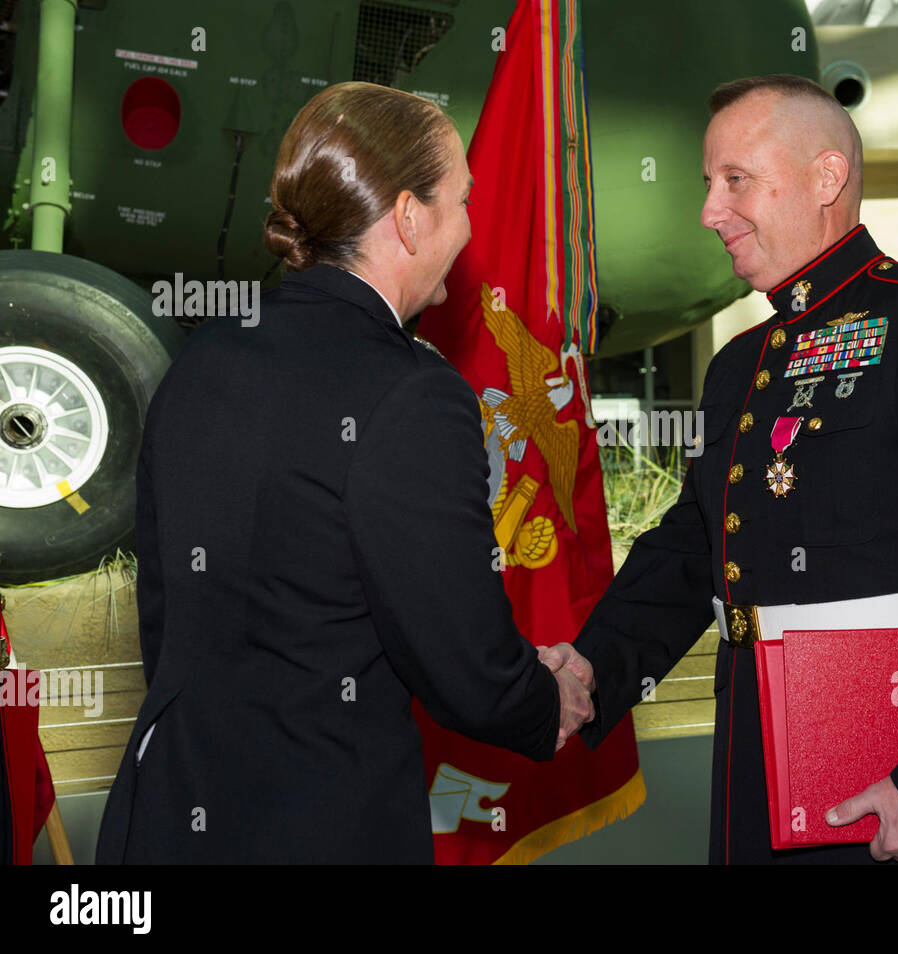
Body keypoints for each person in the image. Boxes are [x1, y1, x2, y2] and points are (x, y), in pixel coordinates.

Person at [546, 74, 898, 865]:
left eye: (736, 180)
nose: (709, 211)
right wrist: (594, 669)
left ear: (827, 178)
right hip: (760, 765)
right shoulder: (741, 367)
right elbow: (693, 548)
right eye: (708, 184)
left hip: (897, 787)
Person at [95, 82, 592, 864]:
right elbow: (460, 664)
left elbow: (174, 614)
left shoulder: (202, 361)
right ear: (407, 216)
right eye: (461, 200)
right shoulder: (413, 396)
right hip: (316, 822)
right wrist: (541, 698)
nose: (469, 226)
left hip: (163, 814)